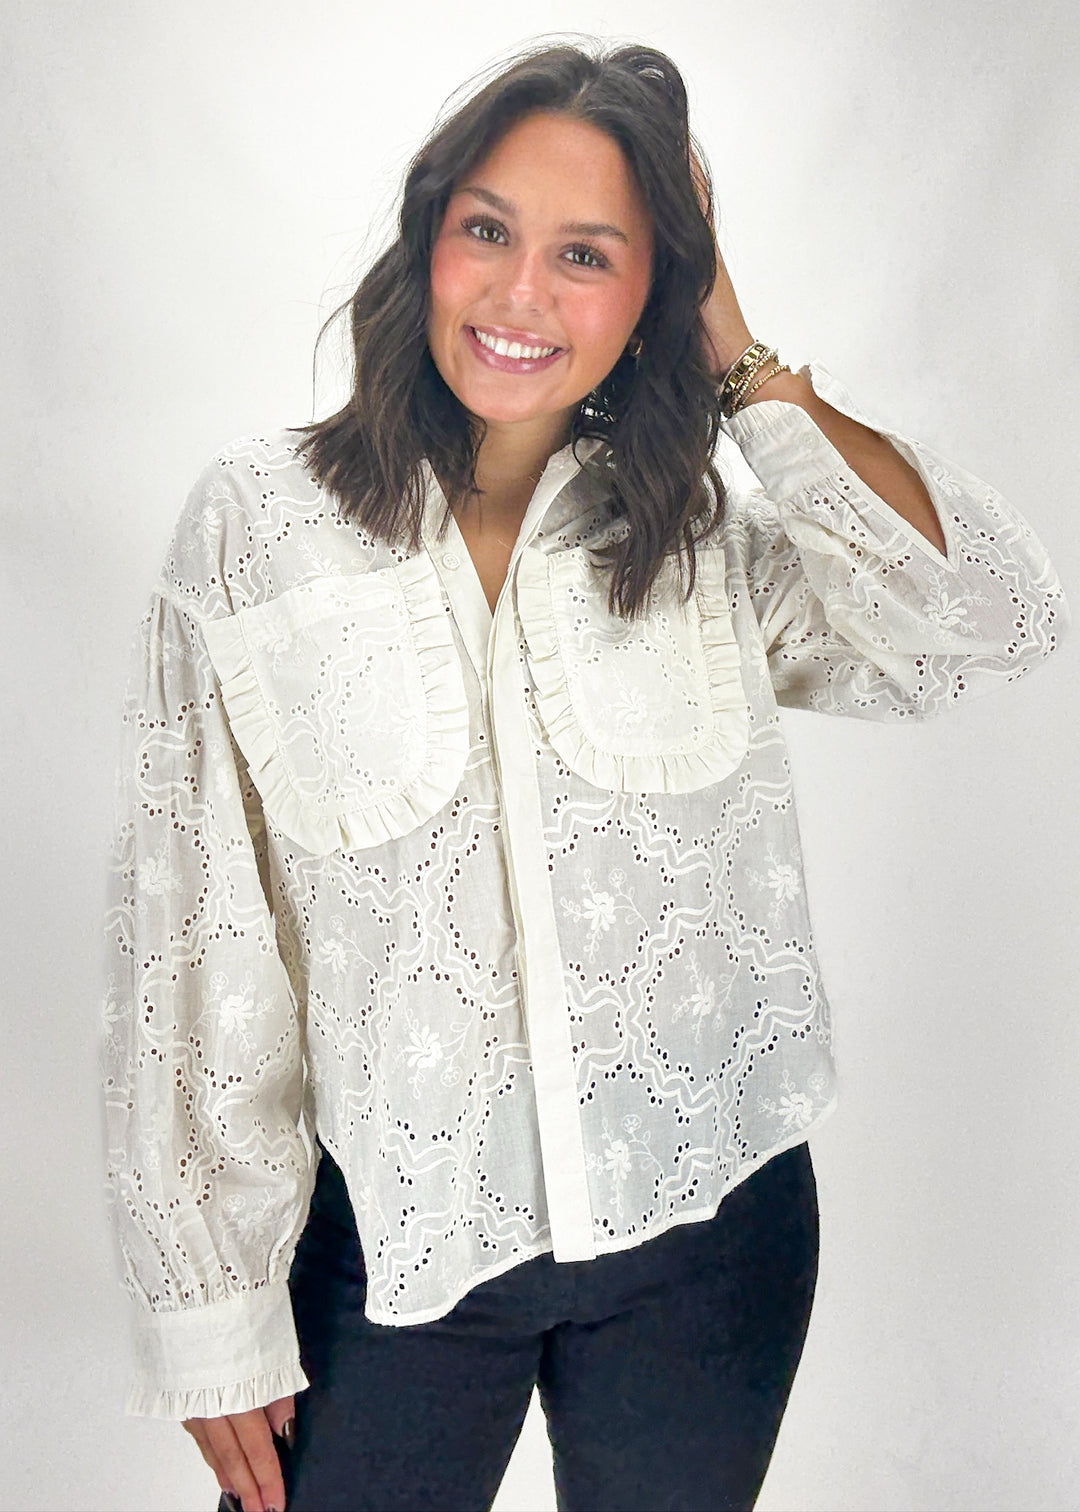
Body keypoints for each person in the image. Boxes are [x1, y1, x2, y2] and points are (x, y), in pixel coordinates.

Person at [99, 37, 1069, 1512]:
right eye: (487, 228)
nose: (520, 296)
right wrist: (212, 1310)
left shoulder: (696, 541)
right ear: (429, 233)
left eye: (590, 255)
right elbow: (191, 934)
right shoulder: (255, 528)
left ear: (655, 293)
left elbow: (991, 618)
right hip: (401, 1252)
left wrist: (740, 356)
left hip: (709, 1229)